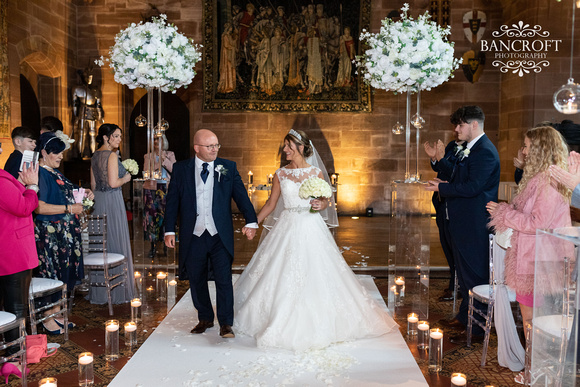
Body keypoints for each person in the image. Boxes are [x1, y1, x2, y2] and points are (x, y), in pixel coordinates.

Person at [233, 129, 398, 351]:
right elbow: (271, 204)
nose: (285, 150)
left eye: (289, 146)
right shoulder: (281, 174)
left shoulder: (316, 173)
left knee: (318, 270)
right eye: (285, 146)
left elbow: (325, 200)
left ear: (301, 148)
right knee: (278, 269)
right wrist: (253, 223)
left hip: (311, 227)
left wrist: (322, 204)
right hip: (287, 225)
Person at [488, 126, 572, 384]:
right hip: (533, 257)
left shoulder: (547, 181)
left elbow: (538, 223)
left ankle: (536, 370)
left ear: (539, 150)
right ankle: (536, 367)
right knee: (533, 320)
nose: (522, 151)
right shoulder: (539, 178)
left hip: (538, 260)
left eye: (526, 146)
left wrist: (503, 213)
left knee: (533, 321)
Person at [164, 129, 258, 339]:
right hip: (194, 234)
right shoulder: (181, 169)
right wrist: (169, 230)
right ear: (197, 148)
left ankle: (226, 323)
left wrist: (251, 220)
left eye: (216, 145)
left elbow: (241, 196)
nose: (214, 149)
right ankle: (205, 318)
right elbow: (172, 202)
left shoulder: (227, 167)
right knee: (196, 279)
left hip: (219, 234)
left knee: (224, 279)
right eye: (210, 146)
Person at [425, 105, 500, 344]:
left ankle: (478, 329)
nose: (456, 130)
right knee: (465, 273)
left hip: (474, 221)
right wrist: (438, 162)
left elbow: (473, 187)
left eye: (460, 125)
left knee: (476, 275)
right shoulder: (469, 148)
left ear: (474, 124)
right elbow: (458, 175)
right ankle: (464, 316)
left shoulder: (485, 151)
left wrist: (442, 188)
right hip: (461, 219)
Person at [34, 132, 93, 334]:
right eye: (56, 153)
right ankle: (47, 319)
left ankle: (57, 315)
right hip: (50, 235)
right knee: (52, 274)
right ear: (43, 152)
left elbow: (69, 191)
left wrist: (85, 192)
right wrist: (69, 209)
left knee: (63, 273)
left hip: (64, 234)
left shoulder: (54, 172)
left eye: (61, 153)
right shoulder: (40, 173)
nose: (60, 156)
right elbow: (39, 207)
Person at [0, 143, 38, 380]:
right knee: (16, 309)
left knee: (11, 307)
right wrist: (32, 186)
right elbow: (23, 207)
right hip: (13, 252)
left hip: (9, 249)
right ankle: (13, 360)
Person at [90, 123, 134, 304]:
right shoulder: (112, 156)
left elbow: (93, 185)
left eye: (120, 136)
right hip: (112, 200)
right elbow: (114, 182)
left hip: (98, 201)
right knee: (116, 239)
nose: (119, 139)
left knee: (101, 243)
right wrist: (126, 177)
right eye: (116, 136)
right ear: (106, 137)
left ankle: (99, 291)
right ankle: (117, 291)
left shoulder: (94, 155)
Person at [424, 135, 465, 302]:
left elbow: (455, 174)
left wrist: (440, 158)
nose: (457, 130)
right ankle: (453, 284)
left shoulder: (470, 150)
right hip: (442, 203)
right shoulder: (451, 145)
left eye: (460, 126)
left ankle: (457, 286)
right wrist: (435, 158)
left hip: (456, 205)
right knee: (446, 247)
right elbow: (440, 168)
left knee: (456, 249)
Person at [143, 134, 176, 258]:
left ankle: (166, 246)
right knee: (152, 218)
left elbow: (174, 169)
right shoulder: (148, 156)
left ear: (164, 141)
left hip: (166, 189)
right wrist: (157, 165)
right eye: (155, 139)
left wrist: (164, 159)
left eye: (159, 139)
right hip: (151, 189)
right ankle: (152, 247)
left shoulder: (170, 154)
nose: (157, 141)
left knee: (165, 217)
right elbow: (146, 171)